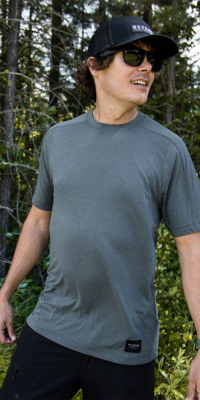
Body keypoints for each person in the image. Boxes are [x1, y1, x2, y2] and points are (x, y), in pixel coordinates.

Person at [0, 15, 200, 400]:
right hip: (52, 328)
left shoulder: (167, 150)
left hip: (125, 345)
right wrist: (5, 292)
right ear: (95, 65)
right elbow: (39, 222)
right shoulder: (58, 139)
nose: (147, 68)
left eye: (152, 62)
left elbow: (192, 249)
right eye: (133, 55)